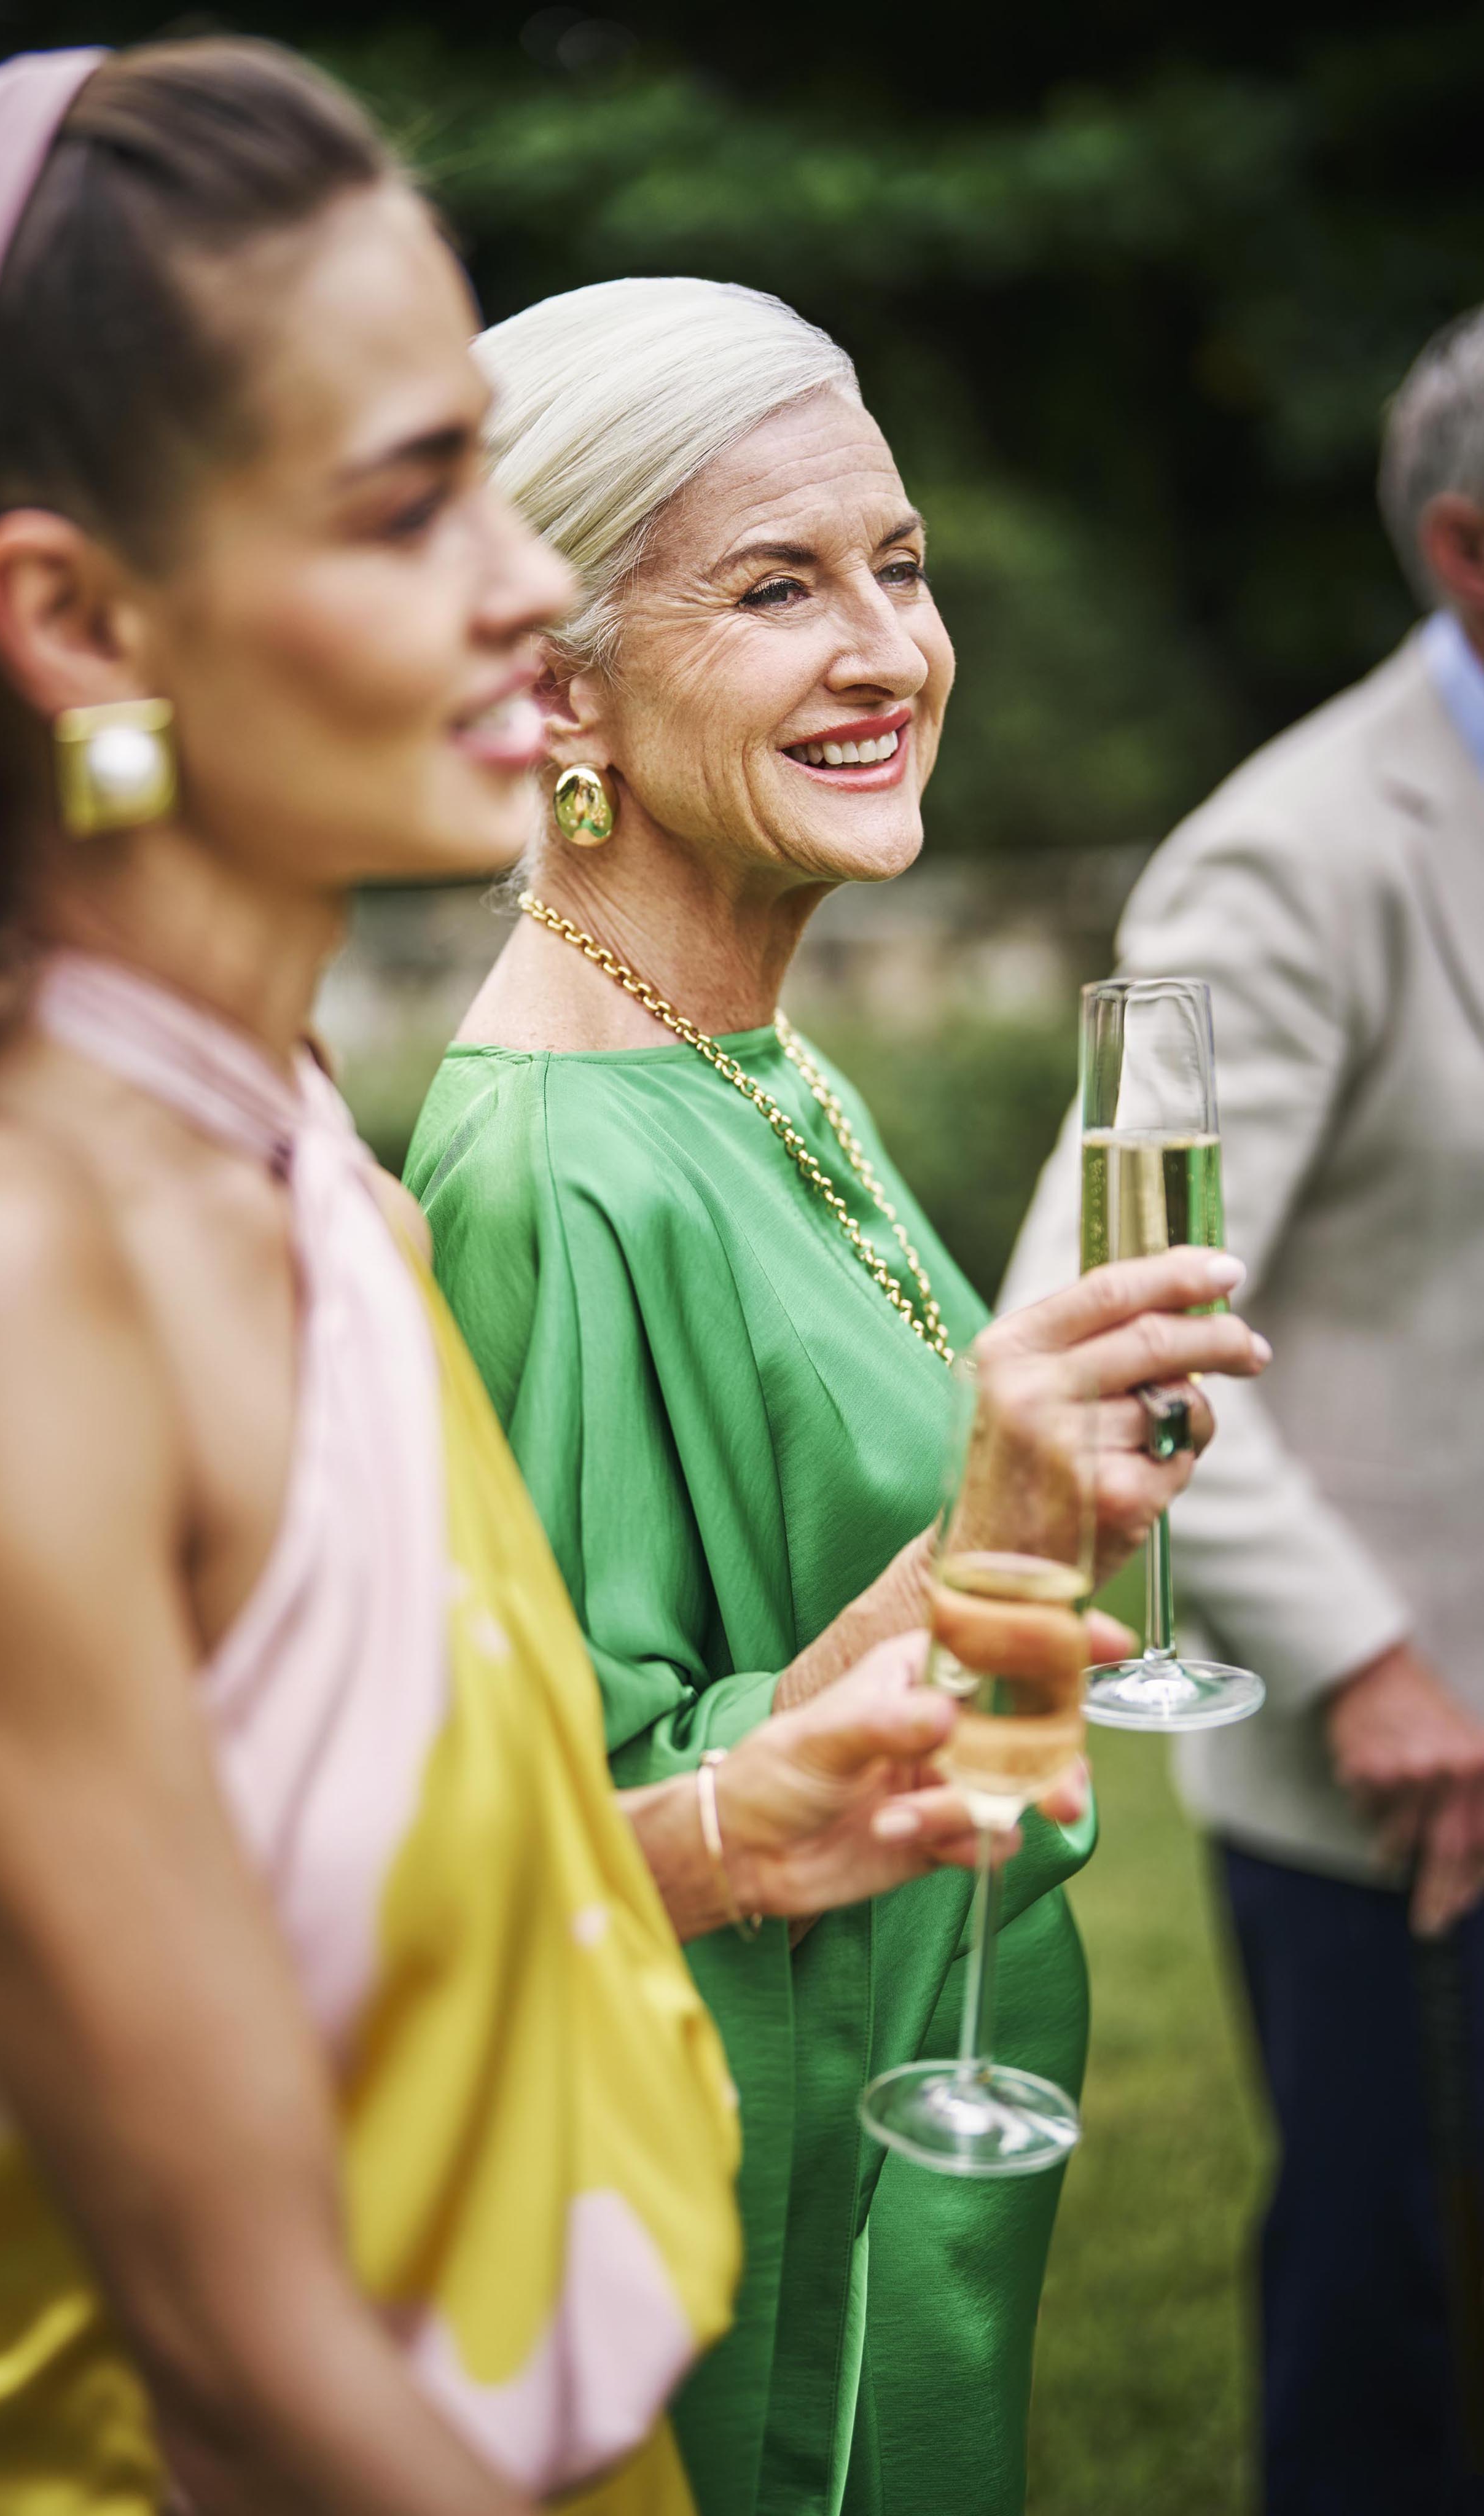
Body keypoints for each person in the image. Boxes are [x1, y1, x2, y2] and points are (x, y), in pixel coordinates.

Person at [0, 54, 1064, 2516]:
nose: (531, 587)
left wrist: (748, 1806)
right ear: (75, 616)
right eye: (408, 497)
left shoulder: (312, 1162)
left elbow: (395, 1940)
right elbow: (230, 2344)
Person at [404, 275, 1270, 2516]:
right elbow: (559, 1846)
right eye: (773, 586)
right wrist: (986, 1528)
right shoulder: (547, 1158)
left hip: (913, 2164)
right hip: (753, 2254)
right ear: (556, 680)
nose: (884, 649)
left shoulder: (755, 1056)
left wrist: (1059, 1508)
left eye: (897, 564)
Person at [1002, 306, 1484, 2512]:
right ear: (1466, 548)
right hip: (1409, 1768)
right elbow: (1100, 1314)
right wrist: (1377, 1669)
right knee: (1404, 2339)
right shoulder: (1281, 860)